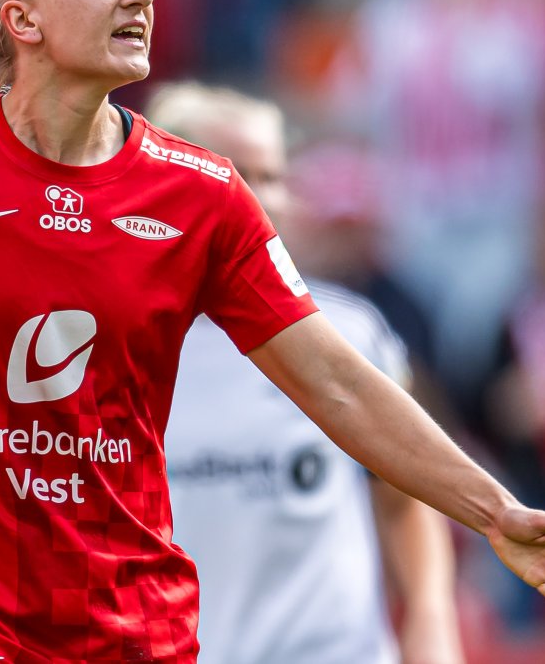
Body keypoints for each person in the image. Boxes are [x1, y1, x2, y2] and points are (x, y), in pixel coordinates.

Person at [0, 0, 545, 663]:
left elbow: (336, 383)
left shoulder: (200, 195)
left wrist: (496, 511)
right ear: (23, 19)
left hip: (128, 625)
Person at [149, 83, 464, 664]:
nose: (261, 198)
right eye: (237, 174)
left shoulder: (350, 331)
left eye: (273, 177)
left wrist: (430, 620)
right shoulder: (119, 339)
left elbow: (403, 496)